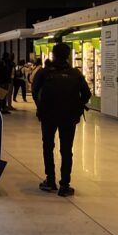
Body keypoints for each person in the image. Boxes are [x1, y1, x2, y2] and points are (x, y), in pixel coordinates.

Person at [32, 42, 91, 196]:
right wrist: (77, 106)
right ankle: (65, 184)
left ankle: (50, 180)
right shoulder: (75, 74)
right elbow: (86, 94)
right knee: (66, 150)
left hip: (48, 116)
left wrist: (41, 107)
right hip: (68, 117)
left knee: (48, 147)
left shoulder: (45, 73)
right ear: (68, 55)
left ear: (53, 54)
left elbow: (35, 91)